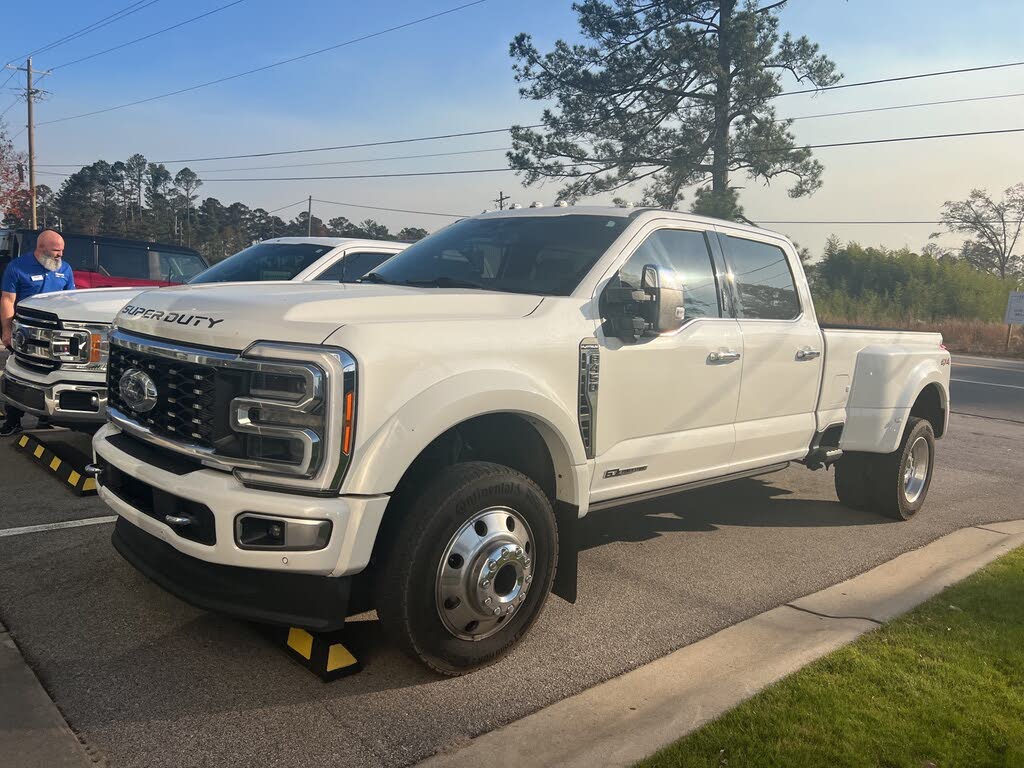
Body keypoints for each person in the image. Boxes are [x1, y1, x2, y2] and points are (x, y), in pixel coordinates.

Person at [1, 230, 75, 436]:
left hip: (55, 335)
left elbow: (71, 300)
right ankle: (13, 420)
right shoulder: (17, 267)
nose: (60, 255)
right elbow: (7, 300)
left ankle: (46, 418)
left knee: (51, 375)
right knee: (18, 374)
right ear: (41, 247)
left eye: (62, 250)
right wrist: (6, 331)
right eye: (56, 250)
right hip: (25, 333)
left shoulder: (65, 269)